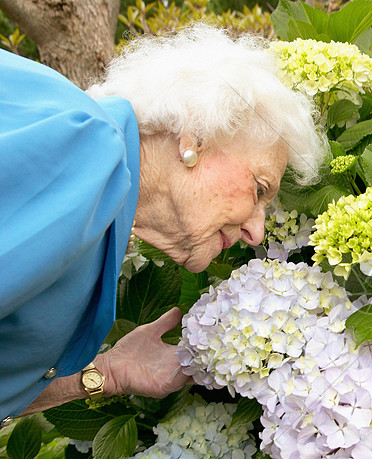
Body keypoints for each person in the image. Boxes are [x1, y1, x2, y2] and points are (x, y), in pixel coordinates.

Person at [0, 24, 327, 422]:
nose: (256, 231)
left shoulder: (102, 202)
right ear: (193, 137)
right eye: (259, 189)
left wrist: (110, 373)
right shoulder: (89, 150)